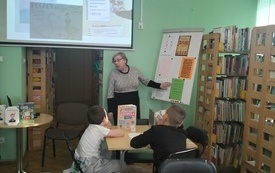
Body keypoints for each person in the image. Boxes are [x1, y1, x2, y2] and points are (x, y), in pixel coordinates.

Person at [107, 52, 170, 125]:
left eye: (118, 60)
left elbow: (146, 81)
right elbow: (110, 93)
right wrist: (110, 110)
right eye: (114, 61)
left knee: (134, 126)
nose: (116, 63)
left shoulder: (135, 70)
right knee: (121, 126)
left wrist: (159, 85)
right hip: (119, 106)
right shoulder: (113, 74)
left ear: (125, 60)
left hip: (134, 104)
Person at [64, 105, 125, 173]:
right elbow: (121, 133)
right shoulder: (100, 130)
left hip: (81, 163)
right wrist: (121, 126)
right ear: (104, 118)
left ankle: (107, 166)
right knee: (122, 164)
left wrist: (106, 119)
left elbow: (109, 128)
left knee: (107, 152)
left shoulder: (92, 127)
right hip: (90, 166)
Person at [130, 104, 187, 173]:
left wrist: (160, 125)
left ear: (166, 116)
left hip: (161, 169)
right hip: (178, 169)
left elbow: (134, 143)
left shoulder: (157, 130)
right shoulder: (183, 133)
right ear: (180, 122)